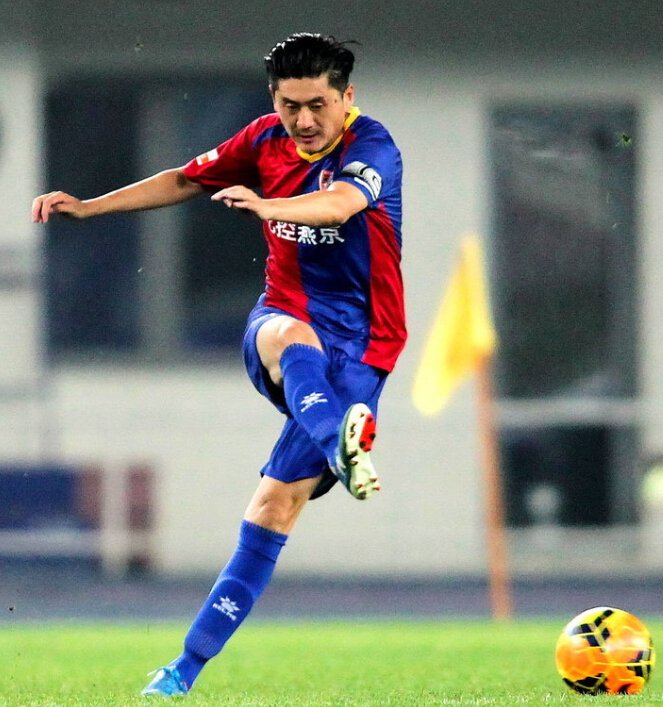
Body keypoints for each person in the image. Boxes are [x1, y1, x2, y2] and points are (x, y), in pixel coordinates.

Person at [31, 32, 406, 697]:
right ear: (274, 100)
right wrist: (91, 207)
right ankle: (342, 442)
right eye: (289, 105)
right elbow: (184, 178)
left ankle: (182, 670)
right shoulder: (262, 140)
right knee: (288, 333)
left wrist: (268, 205)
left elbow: (343, 203)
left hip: (363, 344)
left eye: (317, 104)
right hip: (284, 318)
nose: (303, 120)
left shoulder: (372, 146)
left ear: (347, 97)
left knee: (272, 507)